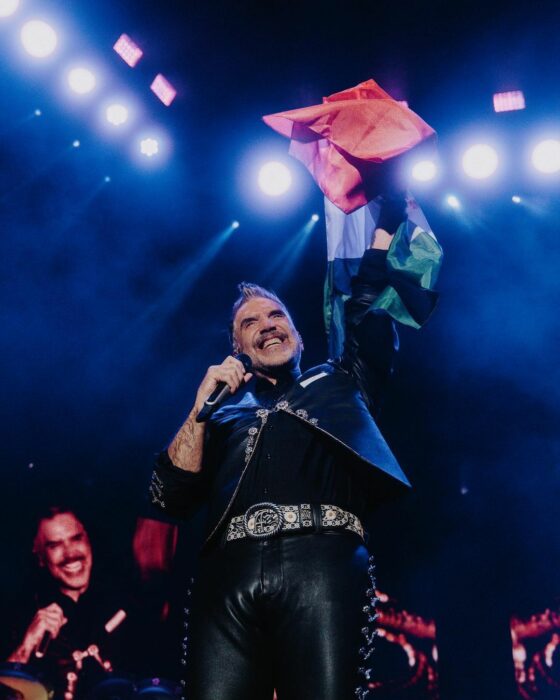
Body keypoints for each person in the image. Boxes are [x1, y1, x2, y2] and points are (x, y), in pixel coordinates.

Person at [149, 198, 435, 700]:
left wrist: (384, 212)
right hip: (228, 576)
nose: (267, 324)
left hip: (320, 564)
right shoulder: (220, 411)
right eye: (250, 323)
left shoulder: (342, 382)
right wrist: (199, 407)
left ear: (299, 335)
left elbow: (366, 300)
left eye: (276, 314)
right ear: (238, 348)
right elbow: (170, 498)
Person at [3, 507, 134, 698]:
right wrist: (25, 648)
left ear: (88, 540)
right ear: (40, 556)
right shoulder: (20, 616)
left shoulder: (127, 603)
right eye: (55, 545)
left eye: (76, 539)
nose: (70, 553)